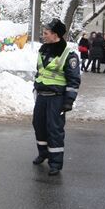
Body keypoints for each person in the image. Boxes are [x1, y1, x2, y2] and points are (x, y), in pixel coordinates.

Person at [32, 18, 81, 175]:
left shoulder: (69, 55)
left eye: (46, 33)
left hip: (56, 97)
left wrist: (69, 101)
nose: (43, 36)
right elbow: (40, 71)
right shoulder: (43, 50)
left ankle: (56, 163)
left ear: (55, 35)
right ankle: (43, 153)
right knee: (38, 125)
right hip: (42, 96)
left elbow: (74, 80)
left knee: (54, 129)